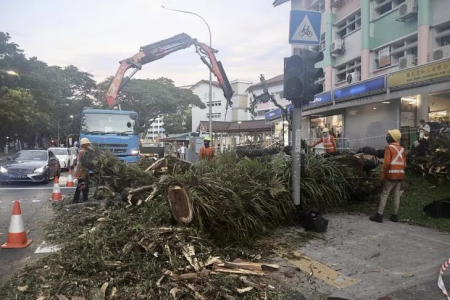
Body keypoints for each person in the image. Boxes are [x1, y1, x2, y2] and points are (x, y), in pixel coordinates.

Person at [370, 129, 406, 223]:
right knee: (396, 195)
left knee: (385, 194)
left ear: (391, 137)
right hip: (400, 175)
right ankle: (395, 215)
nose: (387, 136)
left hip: (391, 175)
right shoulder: (402, 149)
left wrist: (382, 176)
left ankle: (379, 215)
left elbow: (386, 164)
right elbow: (404, 164)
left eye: (389, 135)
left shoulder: (389, 148)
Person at [72, 138, 91, 204]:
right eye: (87, 144)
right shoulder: (83, 152)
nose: (89, 145)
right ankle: (79, 201)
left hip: (82, 172)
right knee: (82, 186)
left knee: (83, 187)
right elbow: (82, 164)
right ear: (84, 145)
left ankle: (78, 200)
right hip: (82, 172)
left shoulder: (82, 151)